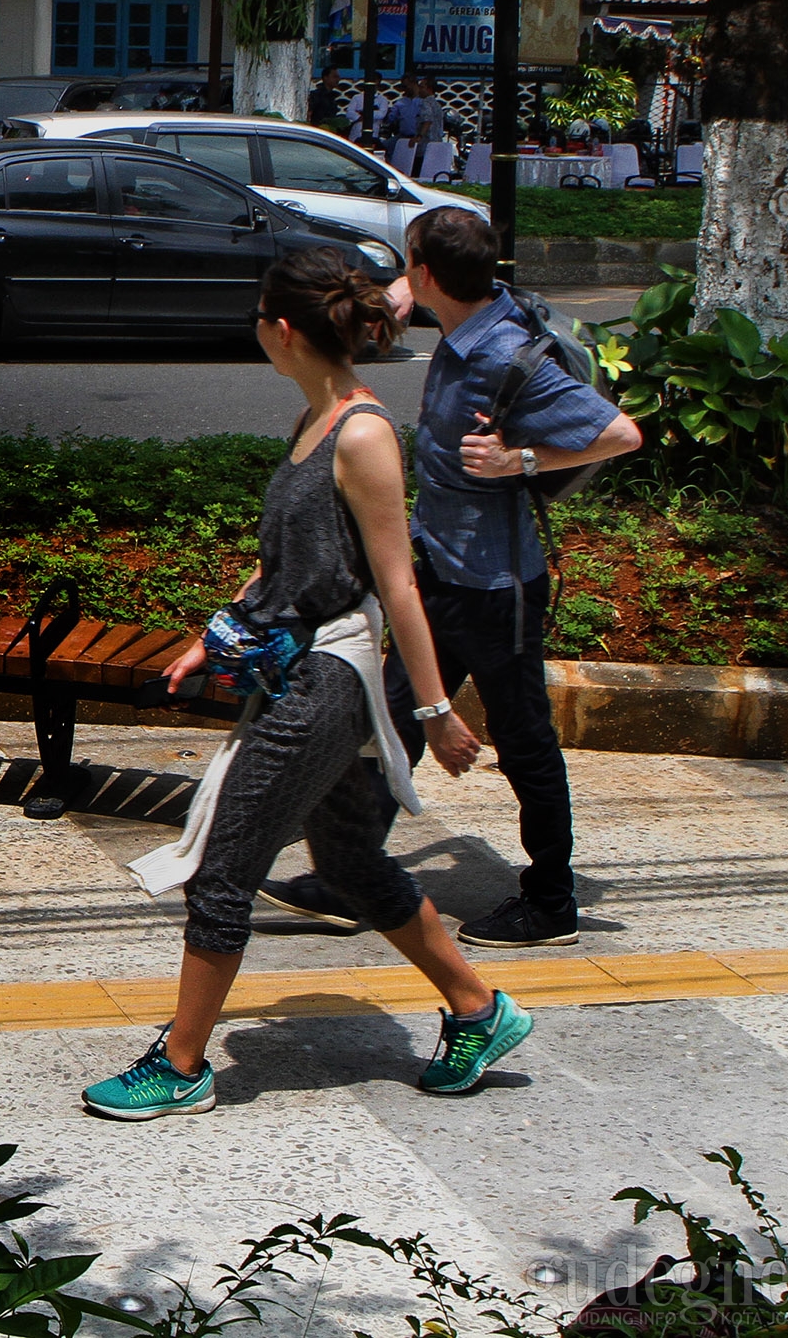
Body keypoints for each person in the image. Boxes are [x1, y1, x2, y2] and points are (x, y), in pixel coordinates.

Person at [83, 247, 529, 1121]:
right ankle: (481, 1008)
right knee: (352, 860)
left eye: (259, 314)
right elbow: (285, 563)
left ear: (281, 328)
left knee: (223, 865)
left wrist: (435, 712)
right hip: (294, 657)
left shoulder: (362, 431)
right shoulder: (314, 418)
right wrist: (213, 638)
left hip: (329, 678)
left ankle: (180, 1065)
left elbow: (398, 582)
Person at [263, 209, 642, 950]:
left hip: (497, 588)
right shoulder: (467, 314)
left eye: (411, 265)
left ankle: (552, 901)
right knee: (388, 716)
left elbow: (620, 431)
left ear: (433, 273)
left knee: (524, 739)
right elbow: (412, 289)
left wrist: (519, 462)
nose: (404, 277)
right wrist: (399, 294)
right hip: (438, 568)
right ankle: (351, 877)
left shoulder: (503, 350)